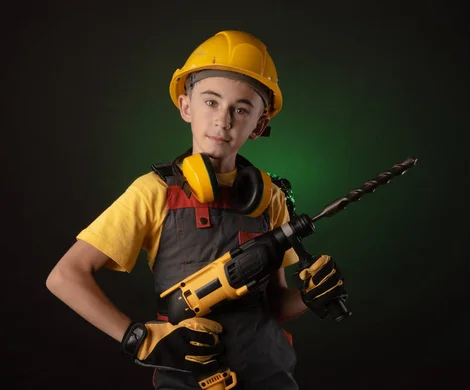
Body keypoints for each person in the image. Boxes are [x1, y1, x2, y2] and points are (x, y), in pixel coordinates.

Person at [46, 30, 347, 390]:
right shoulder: (153, 193)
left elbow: (276, 305)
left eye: (241, 108)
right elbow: (65, 276)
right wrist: (139, 339)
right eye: (210, 102)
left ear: (260, 125)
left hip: (270, 376)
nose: (223, 119)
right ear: (186, 106)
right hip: (189, 381)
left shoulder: (271, 199)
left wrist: (308, 298)